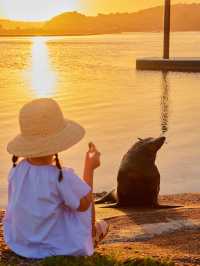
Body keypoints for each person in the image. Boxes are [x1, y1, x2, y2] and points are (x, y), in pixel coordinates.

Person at [3, 98, 109, 259]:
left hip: (21, 244)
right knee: (103, 225)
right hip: (55, 248)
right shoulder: (60, 176)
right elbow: (85, 206)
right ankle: (91, 239)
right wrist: (89, 167)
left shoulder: (16, 170)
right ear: (57, 141)